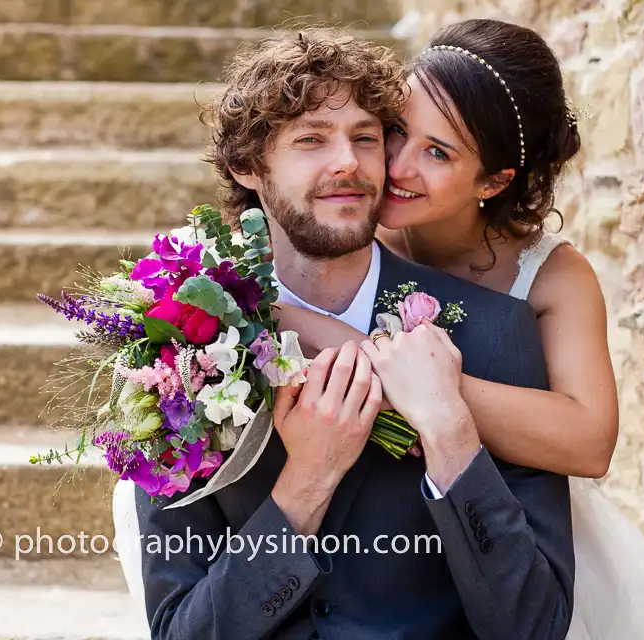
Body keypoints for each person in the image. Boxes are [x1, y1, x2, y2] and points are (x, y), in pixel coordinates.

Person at [115, 26, 575, 639]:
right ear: (247, 166)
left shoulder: (496, 333)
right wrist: (307, 481)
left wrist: (451, 433)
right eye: (311, 139)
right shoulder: (179, 343)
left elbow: (535, 627)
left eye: (365, 137)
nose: (348, 163)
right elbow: (180, 632)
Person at [272, 18, 644, 640]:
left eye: (438, 153)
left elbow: (589, 442)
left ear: (495, 181)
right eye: (397, 133)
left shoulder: (553, 275)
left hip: (510, 523)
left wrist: (434, 389)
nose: (395, 166)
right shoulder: (358, 230)